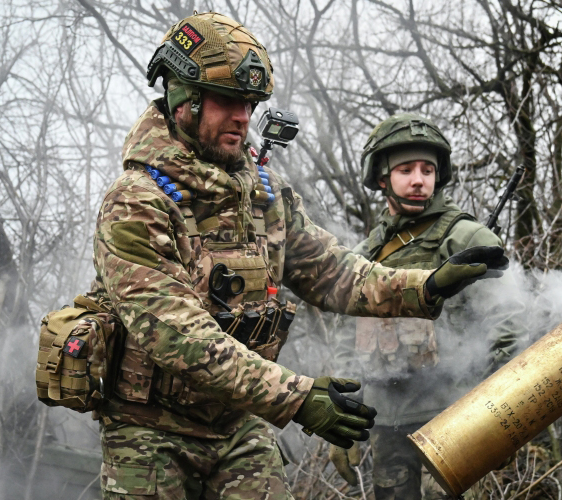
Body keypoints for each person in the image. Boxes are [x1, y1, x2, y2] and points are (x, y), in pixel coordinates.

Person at [85, 13, 508, 500]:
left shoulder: (264, 195)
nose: (244, 117)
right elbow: (175, 333)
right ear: (184, 98)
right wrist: (299, 398)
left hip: (236, 424)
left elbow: (332, 273)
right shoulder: (137, 201)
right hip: (149, 432)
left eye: (251, 103)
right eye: (228, 101)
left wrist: (425, 286)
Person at [330, 114, 518, 499]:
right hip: (387, 421)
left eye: (427, 170)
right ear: (382, 178)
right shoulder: (368, 253)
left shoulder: (463, 236)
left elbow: (507, 321)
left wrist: (502, 415)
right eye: (406, 170)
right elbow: (349, 340)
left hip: (453, 417)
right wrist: (343, 424)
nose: (419, 180)